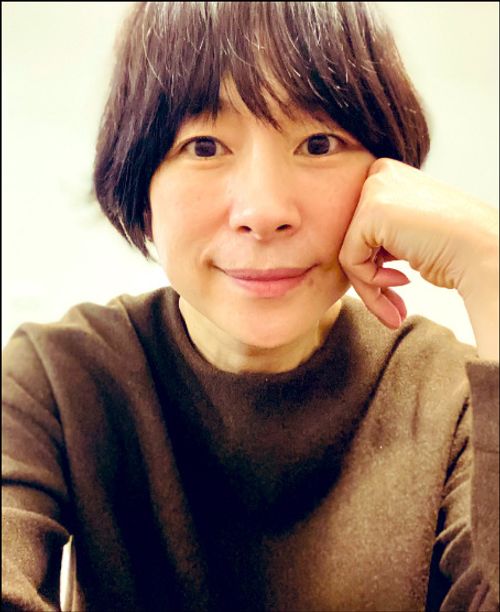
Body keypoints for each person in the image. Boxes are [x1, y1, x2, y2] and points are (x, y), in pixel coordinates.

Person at [2, 2, 498, 611]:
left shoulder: (452, 397)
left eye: (318, 143)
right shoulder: (58, 380)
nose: (264, 212)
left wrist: (492, 268)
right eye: (204, 146)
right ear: (140, 182)